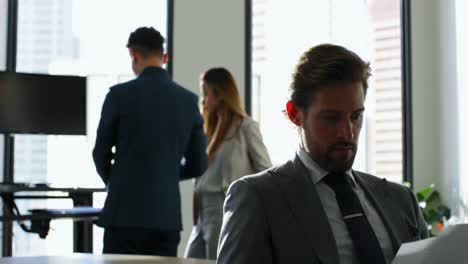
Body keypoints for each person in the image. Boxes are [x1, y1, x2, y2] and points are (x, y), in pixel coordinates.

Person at [217, 44, 428, 264]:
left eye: (356, 116)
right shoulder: (258, 198)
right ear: (295, 114)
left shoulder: (401, 200)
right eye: (331, 118)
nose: (348, 132)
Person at [92, 27, 207, 256]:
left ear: (133, 54)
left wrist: (117, 180)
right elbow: (198, 165)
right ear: (163, 57)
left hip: (123, 216)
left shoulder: (118, 96)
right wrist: (164, 173)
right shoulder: (188, 101)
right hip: (165, 219)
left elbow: (100, 153)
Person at [184, 67, 272, 260]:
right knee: (190, 258)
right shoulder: (207, 129)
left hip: (224, 209)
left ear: (221, 95)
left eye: (206, 94)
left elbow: (266, 171)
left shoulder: (245, 127)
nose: (203, 100)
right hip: (202, 214)